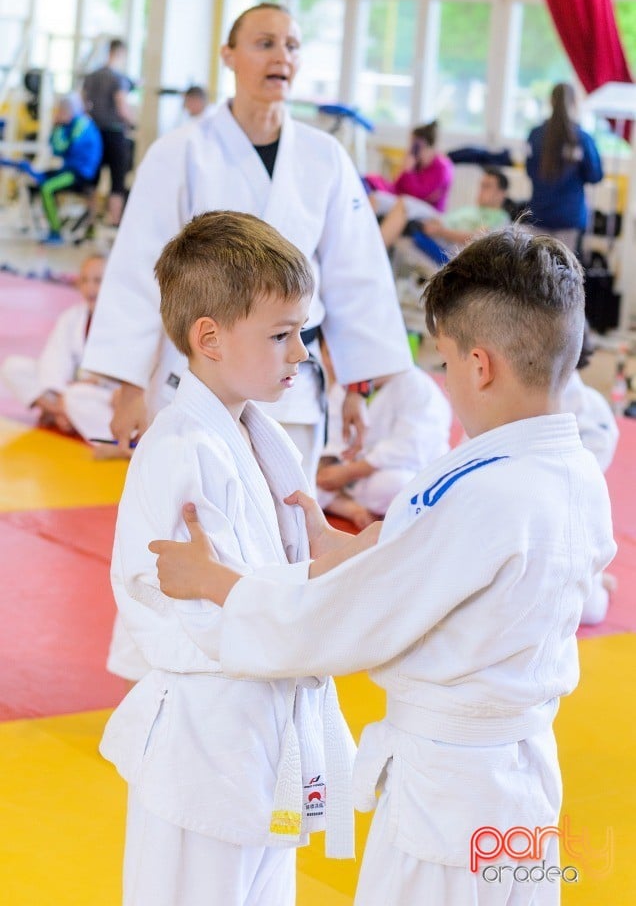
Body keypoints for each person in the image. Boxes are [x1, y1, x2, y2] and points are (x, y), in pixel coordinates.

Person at [151, 227, 616, 905]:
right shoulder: (570, 468)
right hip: (519, 795)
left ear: (480, 365)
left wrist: (214, 582)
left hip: (449, 805)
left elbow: (342, 624)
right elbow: (436, 579)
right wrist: (337, 551)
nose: (448, 379)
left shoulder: (485, 491)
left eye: (448, 363)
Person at [99, 211, 360, 906]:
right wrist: (318, 588)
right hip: (203, 746)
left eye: (302, 332)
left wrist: (322, 564)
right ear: (208, 339)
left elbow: (255, 586)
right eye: (281, 335)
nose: (301, 353)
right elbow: (202, 612)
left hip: (261, 737)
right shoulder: (184, 450)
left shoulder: (258, 433)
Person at [81, 3, 412, 486]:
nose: (281, 55)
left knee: (290, 530)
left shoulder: (326, 158)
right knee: (195, 524)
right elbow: (138, 270)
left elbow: (356, 276)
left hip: (291, 381)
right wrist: (129, 383)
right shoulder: (179, 152)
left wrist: (359, 387)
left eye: (292, 46)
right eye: (265, 43)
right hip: (197, 380)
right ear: (229, 55)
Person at [0, 252, 120, 443]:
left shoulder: (122, 321)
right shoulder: (71, 317)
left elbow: (123, 374)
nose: (90, 288)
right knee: (14, 367)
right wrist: (60, 397)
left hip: (102, 395)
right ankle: (65, 415)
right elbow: (54, 359)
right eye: (85, 280)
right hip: (68, 392)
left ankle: (104, 435)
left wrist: (93, 383)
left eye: (98, 280)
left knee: (79, 396)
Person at [317, 362, 451, 529]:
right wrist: (330, 467)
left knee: (397, 485)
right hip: (349, 474)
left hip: (402, 470)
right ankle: (349, 508)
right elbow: (331, 437)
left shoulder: (416, 385)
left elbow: (409, 448)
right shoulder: (344, 385)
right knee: (303, 478)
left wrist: (349, 472)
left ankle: (341, 502)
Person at [562, 323, 619, 625]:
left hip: (572, 512)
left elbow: (590, 472)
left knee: (589, 611)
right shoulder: (510, 394)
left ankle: (597, 583)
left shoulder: (591, 409)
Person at [526, 82, 603, 252]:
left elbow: (530, 171)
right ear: (575, 103)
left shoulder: (535, 135)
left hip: (540, 213)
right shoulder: (582, 139)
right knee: (565, 271)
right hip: (569, 216)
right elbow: (595, 175)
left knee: (536, 269)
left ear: (551, 101)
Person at [381, 165, 510, 261]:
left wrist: (440, 231)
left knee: (405, 203)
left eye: (487, 186)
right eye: (481, 185)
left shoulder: (500, 217)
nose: (480, 190)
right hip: (436, 223)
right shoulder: (472, 209)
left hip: (443, 239)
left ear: (501, 194)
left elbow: (477, 238)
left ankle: (375, 255)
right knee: (378, 198)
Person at [31, 93, 102, 245]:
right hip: (71, 169)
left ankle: (56, 232)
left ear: (67, 110)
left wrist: (56, 126)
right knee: (38, 178)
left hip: (80, 173)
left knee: (46, 188)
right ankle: (55, 223)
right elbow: (56, 150)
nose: (58, 114)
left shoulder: (81, 124)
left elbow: (62, 147)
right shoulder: (72, 124)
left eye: (60, 111)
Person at [82, 38, 136, 226]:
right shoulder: (117, 78)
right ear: (120, 53)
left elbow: (84, 105)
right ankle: (115, 222)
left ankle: (90, 222)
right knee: (117, 182)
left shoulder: (91, 76)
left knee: (92, 180)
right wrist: (135, 123)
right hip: (114, 134)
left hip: (94, 134)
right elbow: (122, 107)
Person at [365, 120, 454, 215]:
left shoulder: (441, 167)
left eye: (413, 144)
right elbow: (397, 186)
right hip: (404, 200)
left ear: (421, 145)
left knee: (378, 199)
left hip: (429, 210)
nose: (410, 147)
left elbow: (418, 195)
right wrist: (404, 169)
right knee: (370, 187)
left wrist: (408, 172)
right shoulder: (417, 162)